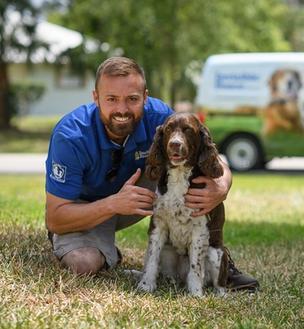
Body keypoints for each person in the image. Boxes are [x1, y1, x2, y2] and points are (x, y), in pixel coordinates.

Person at [45, 56, 259, 291]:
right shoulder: (71, 135)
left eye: (133, 99)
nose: (122, 109)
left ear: (145, 97)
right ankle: (101, 251)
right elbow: (55, 218)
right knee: (83, 264)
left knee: (199, 175)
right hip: (88, 207)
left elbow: (211, 158)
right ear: (95, 97)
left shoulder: (160, 116)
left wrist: (221, 186)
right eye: (111, 99)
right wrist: (113, 204)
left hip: (139, 194)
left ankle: (218, 261)